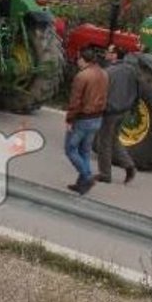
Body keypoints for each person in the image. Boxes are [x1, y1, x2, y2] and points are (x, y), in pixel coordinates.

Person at [65, 49, 108, 195]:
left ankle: (87, 177)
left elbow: (75, 101)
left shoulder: (82, 76)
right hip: (98, 117)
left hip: (83, 118)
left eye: (78, 59)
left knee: (70, 149)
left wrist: (70, 119)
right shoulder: (104, 73)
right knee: (85, 150)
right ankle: (82, 184)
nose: (77, 62)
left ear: (83, 60)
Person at [96, 45, 139, 185]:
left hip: (110, 111)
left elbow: (101, 94)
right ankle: (129, 166)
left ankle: (105, 174)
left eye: (108, 52)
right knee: (114, 140)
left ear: (115, 55)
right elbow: (137, 90)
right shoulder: (131, 71)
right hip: (124, 111)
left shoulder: (108, 72)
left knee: (104, 142)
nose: (105, 54)